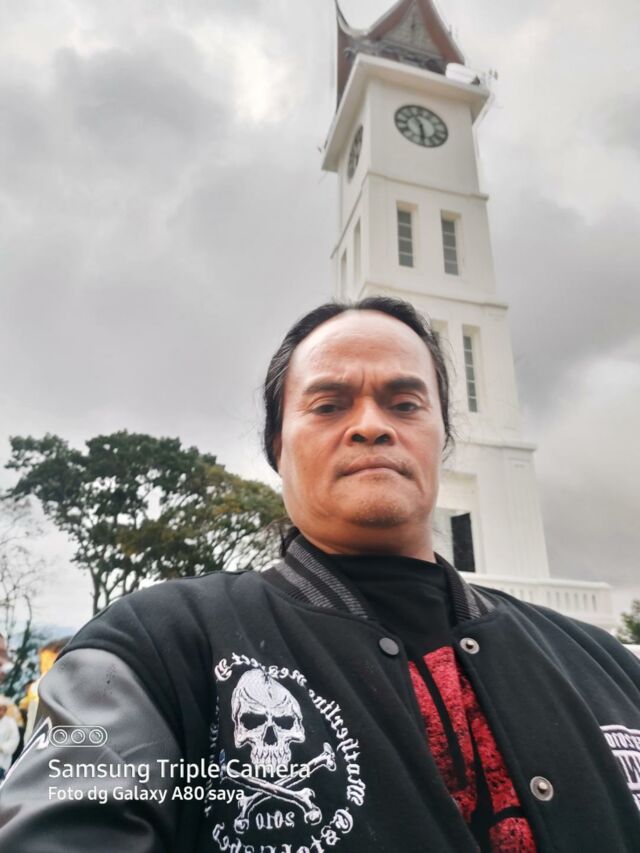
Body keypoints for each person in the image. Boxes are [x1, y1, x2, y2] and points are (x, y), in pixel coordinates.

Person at [0, 296, 639, 852]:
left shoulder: (606, 666)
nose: (371, 426)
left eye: (405, 403)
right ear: (277, 448)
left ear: (440, 436)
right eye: (329, 405)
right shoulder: (157, 648)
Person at [0, 698, 20, 782]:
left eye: (3, 709)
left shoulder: (10, 722)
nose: (1, 711)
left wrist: (3, 747)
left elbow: (14, 739)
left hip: (2, 759)